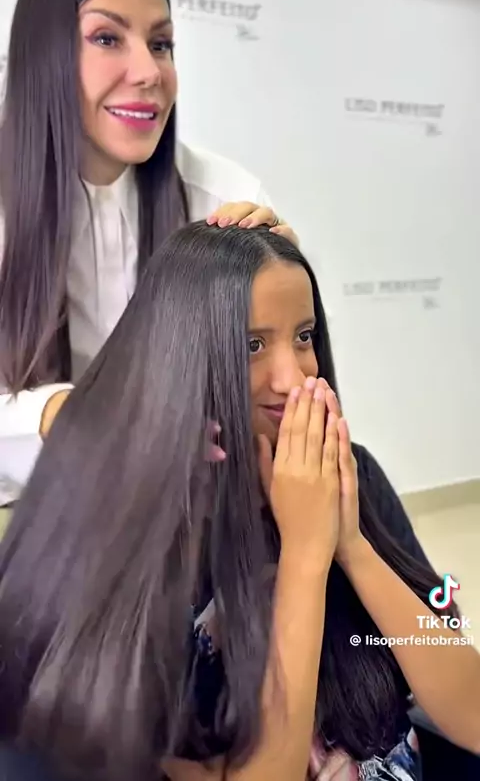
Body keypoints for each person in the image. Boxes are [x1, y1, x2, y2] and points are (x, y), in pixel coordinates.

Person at [0, 223, 479, 781]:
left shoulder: (352, 476)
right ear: (184, 354)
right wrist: (305, 554)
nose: (293, 377)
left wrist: (350, 545)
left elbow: (471, 714)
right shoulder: (145, 549)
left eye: (304, 336)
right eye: (253, 345)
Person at [0, 0, 296, 466]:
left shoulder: (226, 197)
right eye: (107, 38)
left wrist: (282, 293)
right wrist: (66, 414)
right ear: (42, 56)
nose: (149, 72)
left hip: (189, 494)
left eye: (160, 45)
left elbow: (279, 393)